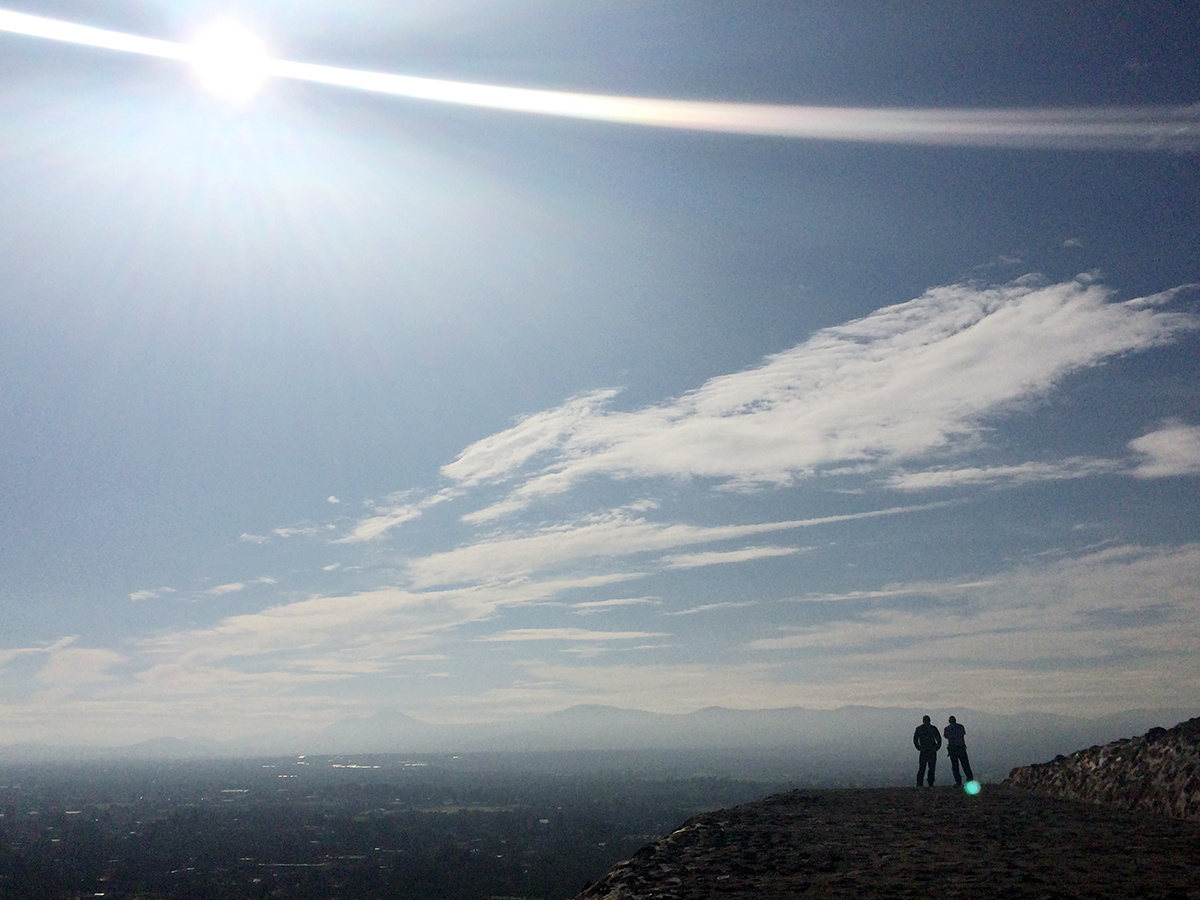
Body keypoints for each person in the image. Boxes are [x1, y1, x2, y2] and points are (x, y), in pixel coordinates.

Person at [943, 715, 975, 785]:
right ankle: (970, 778)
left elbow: (946, 736)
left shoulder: (947, 729)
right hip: (961, 747)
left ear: (949, 721)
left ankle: (958, 781)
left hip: (953, 748)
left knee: (955, 766)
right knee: (965, 764)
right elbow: (962, 734)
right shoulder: (960, 727)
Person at [913, 715, 941, 786]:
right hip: (931, 750)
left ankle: (920, 783)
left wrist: (918, 747)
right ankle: (929, 782)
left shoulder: (919, 728)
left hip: (924, 750)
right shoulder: (933, 728)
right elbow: (938, 738)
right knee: (930, 767)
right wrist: (937, 747)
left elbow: (915, 739)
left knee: (923, 767)